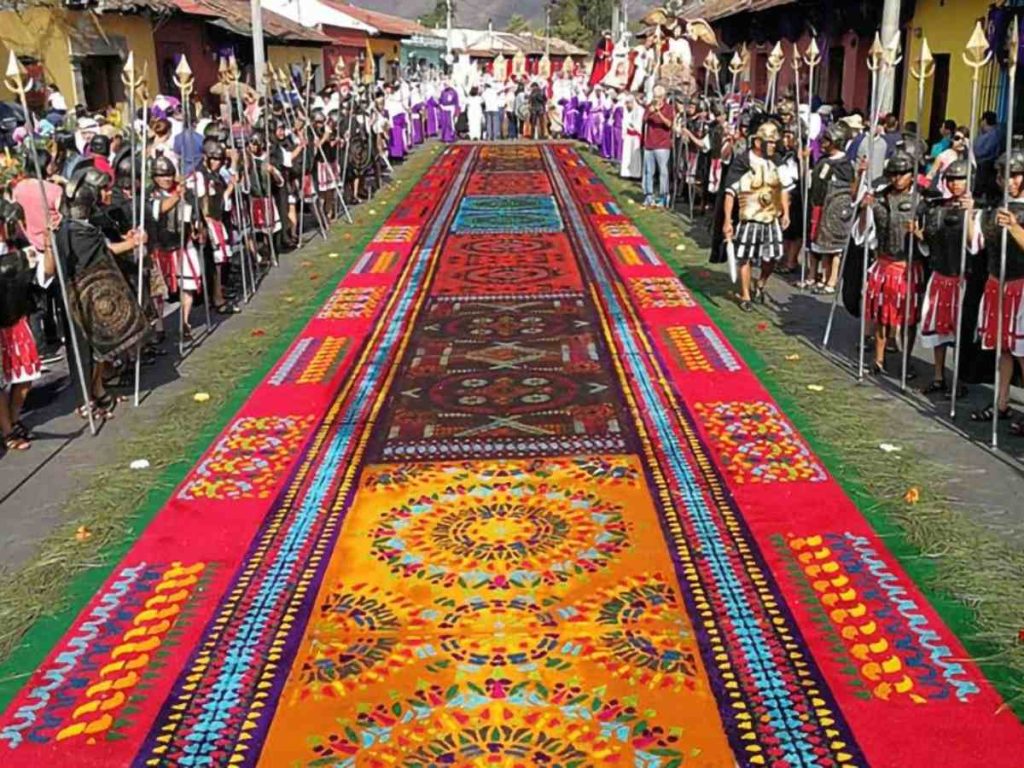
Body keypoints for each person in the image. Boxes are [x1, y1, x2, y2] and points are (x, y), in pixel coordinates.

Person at [57, 169, 148, 419]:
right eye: (103, 190)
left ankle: (98, 390)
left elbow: (105, 243)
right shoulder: (71, 230)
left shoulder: (90, 223)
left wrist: (127, 238)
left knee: (100, 348)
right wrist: (132, 244)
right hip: (79, 296)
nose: (108, 193)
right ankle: (85, 399)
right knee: (85, 351)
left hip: (96, 294)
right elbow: (102, 253)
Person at [856, 150, 925, 377]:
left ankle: (906, 360)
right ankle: (878, 359)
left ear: (912, 175)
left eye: (902, 173)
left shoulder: (922, 201)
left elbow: (930, 238)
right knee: (881, 316)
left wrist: (919, 233)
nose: (897, 178)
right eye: (893, 174)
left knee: (908, 319)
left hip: (908, 266)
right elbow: (862, 232)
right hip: (884, 263)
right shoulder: (880, 197)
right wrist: (865, 208)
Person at [972, 148, 1024, 431]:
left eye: (1016, 175)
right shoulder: (993, 210)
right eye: (1006, 175)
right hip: (997, 283)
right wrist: (969, 214)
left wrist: (1014, 227)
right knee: (1003, 348)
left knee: (1022, 351)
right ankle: (1001, 402)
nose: (1011, 181)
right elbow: (975, 245)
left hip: (1022, 286)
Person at [722, 119, 792, 311]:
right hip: (750, 217)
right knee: (745, 257)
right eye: (769, 142)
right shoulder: (743, 161)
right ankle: (745, 295)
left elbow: (784, 188)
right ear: (757, 142)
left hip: (771, 217)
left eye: (774, 142)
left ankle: (761, 283)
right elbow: (730, 193)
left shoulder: (777, 161)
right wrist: (727, 220)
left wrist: (786, 212)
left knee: (771, 258)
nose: (773, 146)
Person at [920, 158, 976, 396]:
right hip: (940, 274)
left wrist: (970, 213)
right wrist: (919, 235)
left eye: (960, 179)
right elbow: (929, 244)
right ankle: (938, 376)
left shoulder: (977, 210)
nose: (955, 184)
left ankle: (958, 379)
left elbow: (976, 245)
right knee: (939, 331)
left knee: (959, 332)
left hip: (963, 279)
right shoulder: (937, 208)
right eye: (951, 179)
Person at [803, 122, 854, 293]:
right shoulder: (823, 160)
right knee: (817, 244)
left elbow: (847, 191)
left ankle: (831, 280)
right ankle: (816, 276)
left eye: (826, 140)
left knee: (833, 248)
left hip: (833, 211)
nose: (823, 143)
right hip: (818, 206)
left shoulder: (844, 165)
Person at [641, 85, 675, 208]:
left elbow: (669, 124)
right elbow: (644, 120)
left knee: (663, 172)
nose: (657, 99)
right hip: (649, 144)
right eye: (655, 96)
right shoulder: (649, 106)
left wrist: (659, 113)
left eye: (659, 97)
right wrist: (650, 111)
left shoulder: (669, 108)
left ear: (663, 97)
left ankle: (663, 197)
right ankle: (648, 196)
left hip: (662, 145)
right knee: (648, 172)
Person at [620, 92, 644, 179]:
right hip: (628, 136)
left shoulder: (640, 110)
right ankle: (626, 173)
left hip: (636, 135)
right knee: (627, 155)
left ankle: (635, 174)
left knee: (635, 155)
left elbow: (639, 123)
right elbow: (625, 122)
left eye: (628, 103)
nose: (627, 105)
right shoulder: (627, 110)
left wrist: (633, 125)